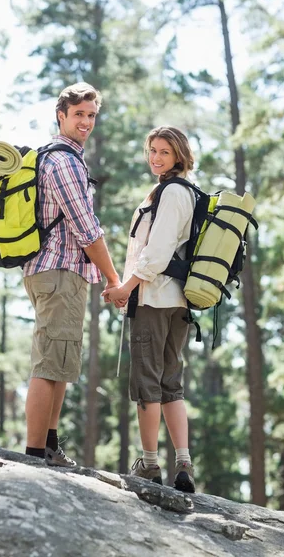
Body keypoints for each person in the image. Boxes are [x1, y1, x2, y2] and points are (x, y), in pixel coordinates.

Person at [23, 82, 120, 466]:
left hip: (61, 273)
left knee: (60, 361)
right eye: (79, 114)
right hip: (58, 271)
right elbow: (87, 229)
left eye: (91, 115)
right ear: (61, 115)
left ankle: (48, 445)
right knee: (49, 363)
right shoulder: (63, 161)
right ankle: (34, 456)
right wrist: (114, 279)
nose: (86, 121)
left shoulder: (66, 157)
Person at [104, 126, 196, 493]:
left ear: (179, 156)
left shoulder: (171, 193)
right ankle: (184, 464)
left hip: (155, 297)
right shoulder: (185, 192)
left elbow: (155, 253)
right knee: (171, 382)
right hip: (180, 300)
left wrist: (126, 288)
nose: (156, 158)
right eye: (152, 150)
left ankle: (150, 464)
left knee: (148, 383)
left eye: (164, 152)